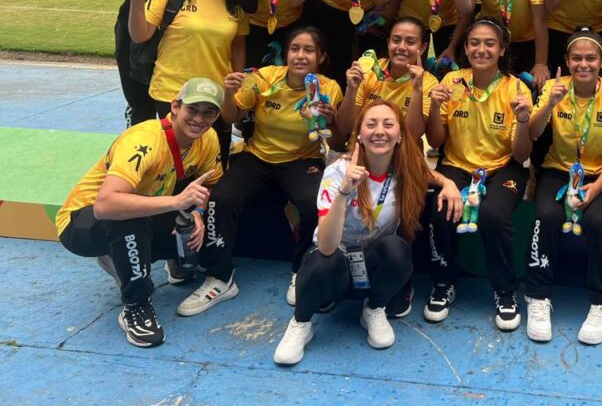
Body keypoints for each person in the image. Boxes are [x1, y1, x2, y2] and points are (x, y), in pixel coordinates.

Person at [273, 101, 463, 362]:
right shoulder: (337, 172)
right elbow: (327, 246)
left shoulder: (405, 171)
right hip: (336, 262)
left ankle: (374, 309)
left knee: (397, 250)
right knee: (322, 261)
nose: (380, 131)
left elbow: (429, 175)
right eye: (371, 124)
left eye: (388, 124)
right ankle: (301, 324)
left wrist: (449, 182)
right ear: (359, 135)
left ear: (399, 136)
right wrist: (343, 192)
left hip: (371, 266)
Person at [175, 28, 342, 316]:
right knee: (221, 199)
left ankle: (303, 269)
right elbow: (231, 116)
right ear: (286, 53)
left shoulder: (328, 88)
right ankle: (220, 277)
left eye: (309, 50)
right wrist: (229, 92)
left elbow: (334, 137)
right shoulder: (265, 78)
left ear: (321, 57)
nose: (300, 56)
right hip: (258, 156)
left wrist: (331, 120)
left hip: (302, 159)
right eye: (294, 49)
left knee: (313, 202)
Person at [56, 77, 224, 348]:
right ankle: (136, 304)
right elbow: (106, 204)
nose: (199, 119)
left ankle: (167, 260)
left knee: (192, 223)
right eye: (192, 109)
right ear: (175, 106)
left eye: (209, 112)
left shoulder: (208, 139)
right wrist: (177, 202)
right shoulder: (144, 140)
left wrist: (197, 213)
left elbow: (211, 184)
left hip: (142, 210)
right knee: (130, 216)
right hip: (81, 221)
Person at [423, 18, 533, 330]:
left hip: (503, 167)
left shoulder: (515, 87)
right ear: (466, 48)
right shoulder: (452, 82)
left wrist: (523, 121)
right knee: (441, 210)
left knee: (494, 215)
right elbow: (435, 142)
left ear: (501, 50)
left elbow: (522, 155)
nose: (481, 49)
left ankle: (504, 291)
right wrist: (433, 107)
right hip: (457, 166)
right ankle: (443, 283)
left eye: (489, 43)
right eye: (474, 43)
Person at [524, 28, 602, 345]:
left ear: (601, 61)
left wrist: (595, 189)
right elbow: (532, 131)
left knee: (600, 222)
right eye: (577, 58)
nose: (583, 64)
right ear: (567, 60)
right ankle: (538, 296)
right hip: (559, 170)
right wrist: (549, 103)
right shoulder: (555, 89)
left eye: (590, 58)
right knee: (547, 216)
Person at [126, 0, 247, 156]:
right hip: (173, 95)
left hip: (215, 98)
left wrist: (236, 92)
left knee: (212, 171)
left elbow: (238, 46)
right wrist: (137, 1)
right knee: (170, 169)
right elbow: (140, 35)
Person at [337, 17, 439, 149]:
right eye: (396, 40)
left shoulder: (429, 83)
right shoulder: (369, 71)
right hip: (365, 150)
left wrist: (417, 90)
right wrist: (351, 90)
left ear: (423, 47)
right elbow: (345, 128)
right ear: (388, 42)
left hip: (404, 154)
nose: (402, 47)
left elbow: (411, 136)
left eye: (410, 42)